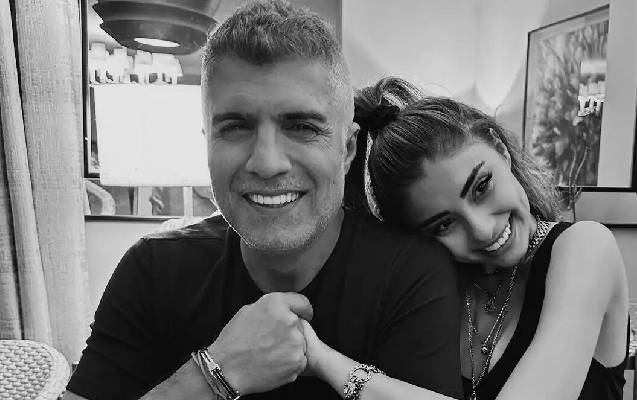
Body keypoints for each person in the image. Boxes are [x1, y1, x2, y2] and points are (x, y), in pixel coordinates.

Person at [63, 3, 464, 400]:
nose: (267, 163)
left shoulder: (410, 274)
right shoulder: (152, 270)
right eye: (236, 127)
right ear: (207, 144)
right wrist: (213, 374)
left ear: (347, 150)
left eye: (302, 127)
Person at [323, 76, 627, 400]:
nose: (482, 230)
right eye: (444, 225)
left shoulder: (586, 248)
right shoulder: (435, 289)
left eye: (482, 187)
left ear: (501, 150)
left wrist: (328, 364)